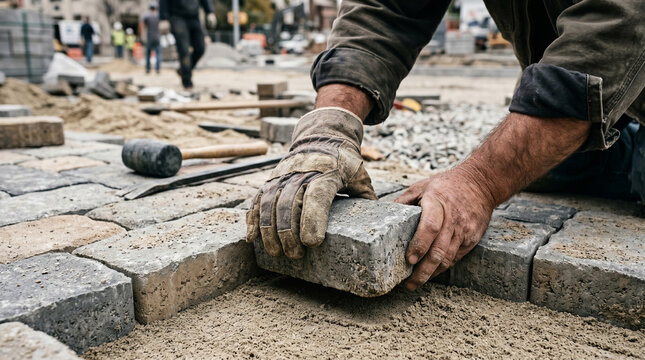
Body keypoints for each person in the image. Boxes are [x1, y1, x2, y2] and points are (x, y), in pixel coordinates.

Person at [247, 0, 645, 291]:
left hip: (622, 69)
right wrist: (328, 128)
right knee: (546, 165)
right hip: (599, 95)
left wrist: (479, 182)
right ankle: (620, 145)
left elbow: (615, 29)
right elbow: (383, 11)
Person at [159, 0, 217, 89]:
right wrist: (163, 18)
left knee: (200, 48)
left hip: (194, 17)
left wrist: (209, 12)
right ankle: (187, 81)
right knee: (184, 49)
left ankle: (183, 70)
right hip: (177, 17)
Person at [142, 1, 162, 74]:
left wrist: (141, 35)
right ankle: (158, 70)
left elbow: (142, 25)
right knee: (158, 54)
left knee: (148, 54)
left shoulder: (147, 16)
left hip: (149, 37)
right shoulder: (158, 16)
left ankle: (148, 69)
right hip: (157, 37)